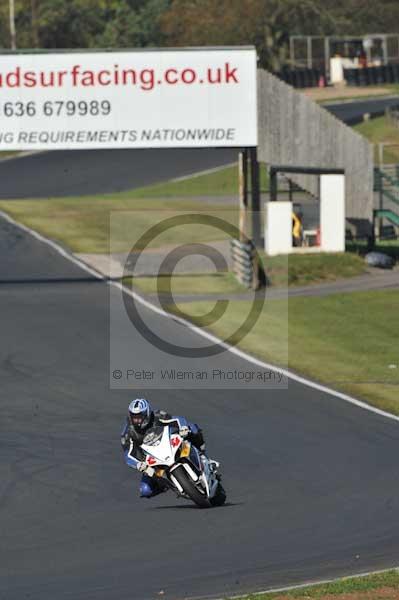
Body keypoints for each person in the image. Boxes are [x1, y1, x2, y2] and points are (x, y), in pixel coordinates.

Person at [120, 398, 206, 498]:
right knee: (145, 490)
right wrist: (139, 464)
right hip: (150, 458)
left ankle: (202, 453)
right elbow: (128, 455)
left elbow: (177, 419)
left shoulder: (157, 415)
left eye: (139, 417)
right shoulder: (128, 433)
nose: (137, 420)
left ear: (147, 414)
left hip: (167, 444)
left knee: (192, 427)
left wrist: (183, 428)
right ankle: (166, 484)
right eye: (134, 417)